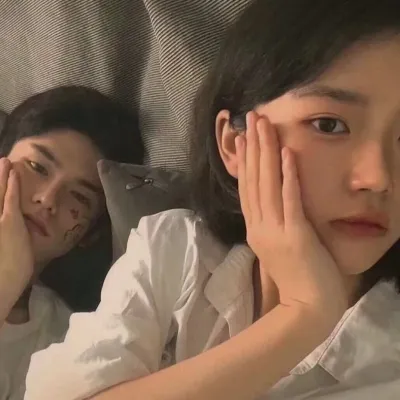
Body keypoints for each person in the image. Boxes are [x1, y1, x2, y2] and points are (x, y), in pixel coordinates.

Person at [24, 0, 400, 399]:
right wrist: (302, 317)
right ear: (234, 143)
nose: (377, 179)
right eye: (329, 124)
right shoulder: (175, 249)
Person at [0, 85, 143, 400]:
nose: (48, 199)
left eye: (79, 197)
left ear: (89, 234)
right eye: (37, 167)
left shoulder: (62, 338)